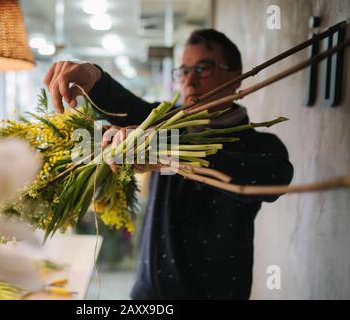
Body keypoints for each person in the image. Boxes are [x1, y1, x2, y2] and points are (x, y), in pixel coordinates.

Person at [44, 29, 294, 300]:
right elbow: (127, 107)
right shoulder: (164, 125)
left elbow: (273, 178)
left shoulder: (258, 145)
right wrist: (93, 76)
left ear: (235, 77)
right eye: (184, 70)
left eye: (203, 67)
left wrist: (169, 152)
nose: (190, 79)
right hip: (145, 296)